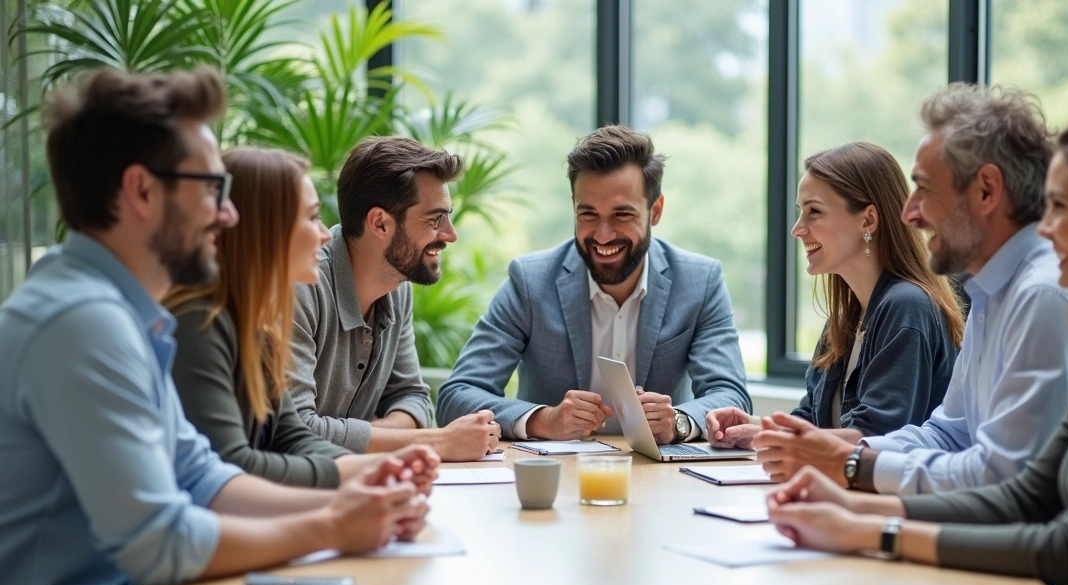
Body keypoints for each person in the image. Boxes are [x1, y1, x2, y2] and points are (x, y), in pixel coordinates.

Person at [0, 68, 435, 585]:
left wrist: (355, 486)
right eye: (211, 188)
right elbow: (162, 543)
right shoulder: (82, 324)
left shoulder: (121, 315)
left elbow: (203, 475)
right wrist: (332, 525)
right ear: (142, 190)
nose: (229, 214)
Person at [766, 111, 1068, 585]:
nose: (1044, 228)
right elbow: (1026, 493)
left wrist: (868, 524)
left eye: (1061, 207)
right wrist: (851, 497)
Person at [750, 84, 1068, 493]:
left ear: (986, 189)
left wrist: (856, 471)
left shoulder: (1041, 298)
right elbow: (946, 436)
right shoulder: (989, 297)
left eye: (925, 189)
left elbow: (1007, 481)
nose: (909, 212)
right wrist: (832, 453)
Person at [436, 125, 751, 443]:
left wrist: (679, 422)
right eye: (587, 214)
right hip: (555, 478)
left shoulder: (700, 282)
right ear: (574, 206)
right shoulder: (529, 281)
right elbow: (457, 395)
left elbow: (731, 395)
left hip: (659, 474)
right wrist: (543, 421)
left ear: (655, 211)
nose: (602, 235)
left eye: (621, 215)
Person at [166, 147, 445, 487]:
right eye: (312, 218)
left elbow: (292, 436)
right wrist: (351, 494)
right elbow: (233, 464)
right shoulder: (201, 322)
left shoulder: (256, 319)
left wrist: (385, 468)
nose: (327, 235)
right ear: (264, 229)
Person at [706, 142, 963, 449]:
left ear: (868, 220)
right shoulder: (845, 320)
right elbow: (812, 421)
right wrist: (753, 428)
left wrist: (772, 437)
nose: (797, 229)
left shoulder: (907, 306)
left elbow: (877, 437)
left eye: (814, 212)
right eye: (801, 212)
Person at [288, 136, 500, 462]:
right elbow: (298, 430)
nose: (450, 234)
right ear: (380, 223)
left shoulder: (396, 287)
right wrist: (439, 442)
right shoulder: (299, 288)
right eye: (434, 219)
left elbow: (413, 398)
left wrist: (373, 434)